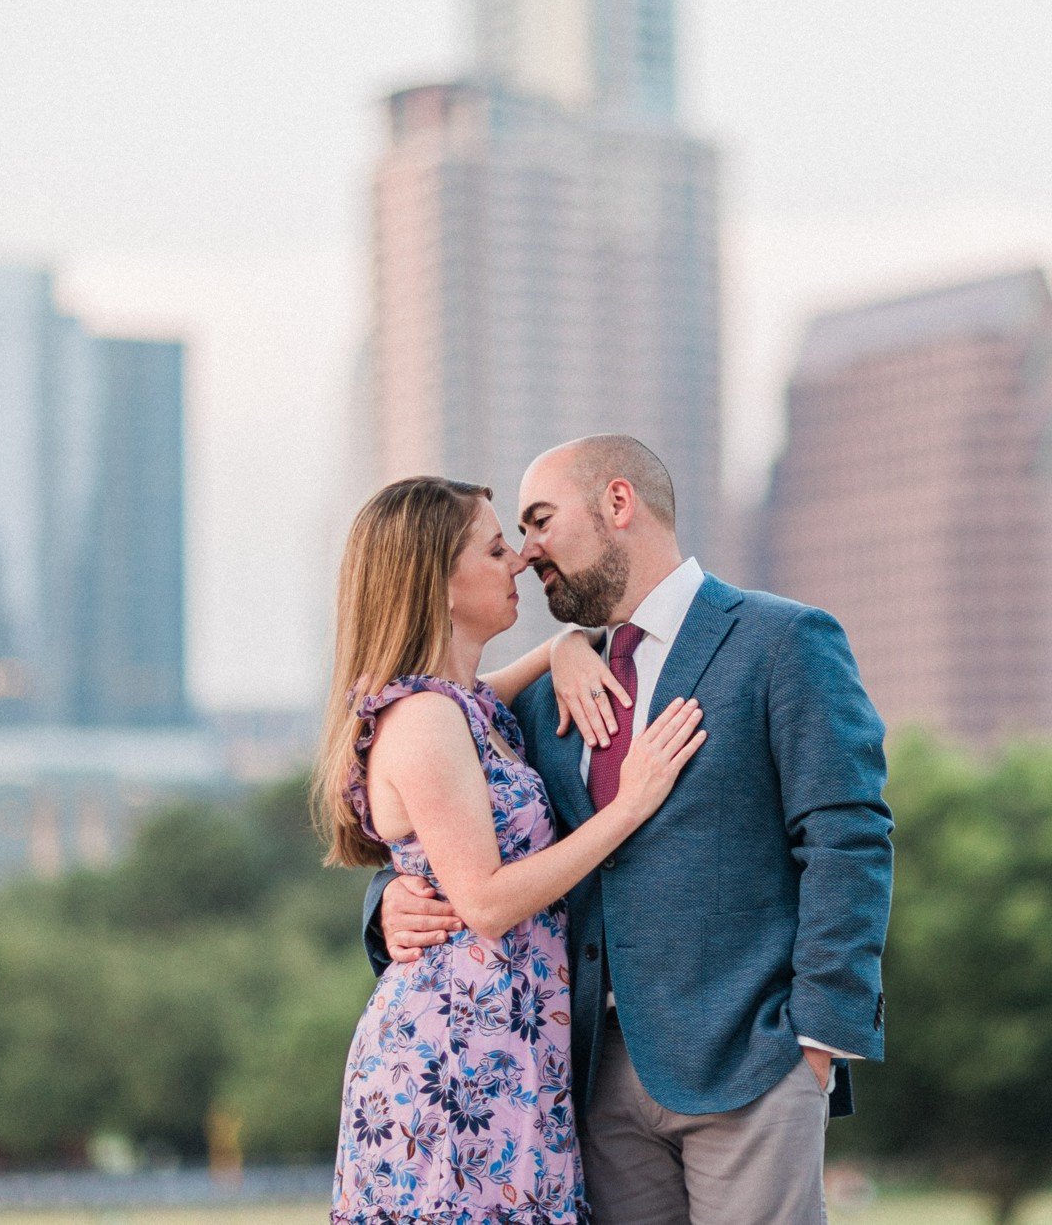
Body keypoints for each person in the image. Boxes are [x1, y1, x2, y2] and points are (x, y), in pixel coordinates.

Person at [365, 435, 893, 1225]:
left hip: (751, 1061)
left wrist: (816, 1040)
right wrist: (387, 902)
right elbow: (442, 819)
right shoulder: (541, 699)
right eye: (512, 533)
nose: (527, 551)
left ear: (618, 504)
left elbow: (846, 838)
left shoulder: (782, 642)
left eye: (540, 520)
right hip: (581, 1081)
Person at [317, 474, 708, 1224]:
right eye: (496, 549)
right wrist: (628, 806)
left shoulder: (464, 704)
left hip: (510, 1047)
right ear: (440, 581)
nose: (520, 562)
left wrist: (565, 645)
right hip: (457, 1061)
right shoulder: (427, 719)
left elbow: (503, 681)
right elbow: (488, 901)